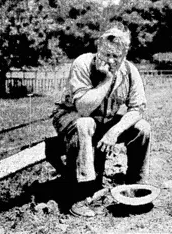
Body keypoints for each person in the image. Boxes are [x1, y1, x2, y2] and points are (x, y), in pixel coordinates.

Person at [51, 22, 151, 217]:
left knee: (142, 128)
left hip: (103, 121)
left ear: (125, 55)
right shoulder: (83, 63)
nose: (110, 61)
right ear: (98, 48)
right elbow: (83, 108)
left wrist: (114, 132)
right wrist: (106, 80)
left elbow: (138, 108)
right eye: (106, 54)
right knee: (85, 124)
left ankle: (135, 188)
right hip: (71, 117)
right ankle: (81, 195)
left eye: (116, 56)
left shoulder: (130, 71)